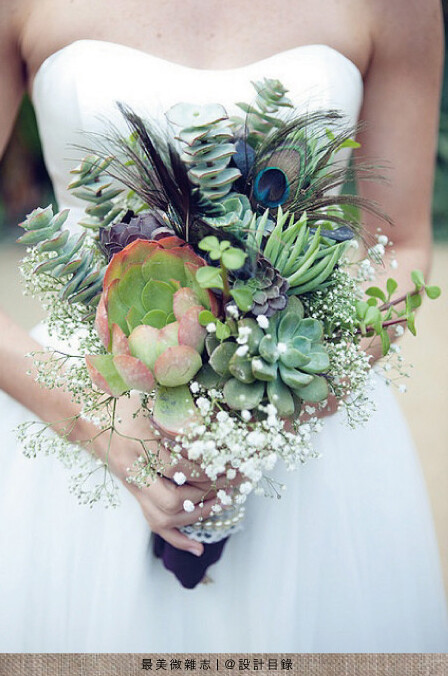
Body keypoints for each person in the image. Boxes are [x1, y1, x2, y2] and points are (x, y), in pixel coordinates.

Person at [0, 0, 447, 652]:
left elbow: (404, 244)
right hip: (83, 421)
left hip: (310, 443)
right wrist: (99, 423)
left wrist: (287, 403)